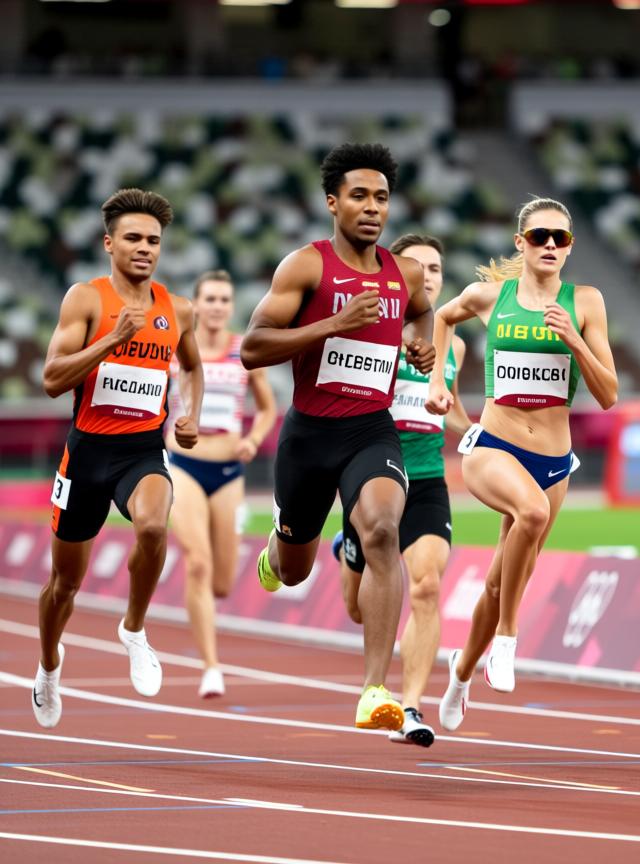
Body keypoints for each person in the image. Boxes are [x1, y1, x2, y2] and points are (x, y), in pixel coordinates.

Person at [240, 143, 434, 734]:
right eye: (359, 196)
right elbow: (252, 347)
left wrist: (420, 341)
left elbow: (422, 311)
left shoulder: (406, 274)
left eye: (381, 198)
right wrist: (331, 325)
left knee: (381, 529)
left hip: (371, 430)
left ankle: (375, 690)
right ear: (333, 202)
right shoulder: (306, 266)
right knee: (294, 571)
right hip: (309, 436)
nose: (372, 208)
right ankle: (280, 545)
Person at [427, 197, 617, 732]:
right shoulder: (491, 297)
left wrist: (575, 340)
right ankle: (507, 640)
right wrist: (440, 382)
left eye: (561, 237)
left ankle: (462, 671)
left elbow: (608, 394)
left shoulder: (586, 302)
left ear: (570, 245)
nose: (551, 245)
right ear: (521, 244)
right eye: (540, 237)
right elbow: (443, 318)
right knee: (530, 516)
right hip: (494, 445)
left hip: (554, 460)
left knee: (497, 580)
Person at [34, 188, 203, 728]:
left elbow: (193, 368)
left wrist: (190, 414)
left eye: (154, 240)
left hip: (140, 451)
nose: (145, 248)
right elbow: (53, 380)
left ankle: (133, 628)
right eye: (133, 238)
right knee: (65, 585)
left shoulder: (179, 310)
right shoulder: (85, 299)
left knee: (154, 526)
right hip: (86, 454)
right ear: (109, 243)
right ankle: (49, 665)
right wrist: (111, 340)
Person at [331, 233, 472, 747]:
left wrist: (471, 430)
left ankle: (410, 706)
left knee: (428, 585)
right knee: (358, 607)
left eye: (436, 267)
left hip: (428, 475)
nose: (429, 276)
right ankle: (345, 552)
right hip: (376, 475)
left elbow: (447, 400)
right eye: (418, 267)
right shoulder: (377, 328)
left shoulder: (451, 341)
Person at [167, 270, 277, 698]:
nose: (216, 306)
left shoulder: (242, 351)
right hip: (184, 465)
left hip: (229, 470)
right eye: (209, 298)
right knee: (197, 561)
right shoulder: (177, 352)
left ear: (231, 307)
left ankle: (210, 601)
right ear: (195, 305)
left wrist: (252, 439)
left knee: (222, 583)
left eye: (223, 300)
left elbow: (268, 409)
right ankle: (211, 666)